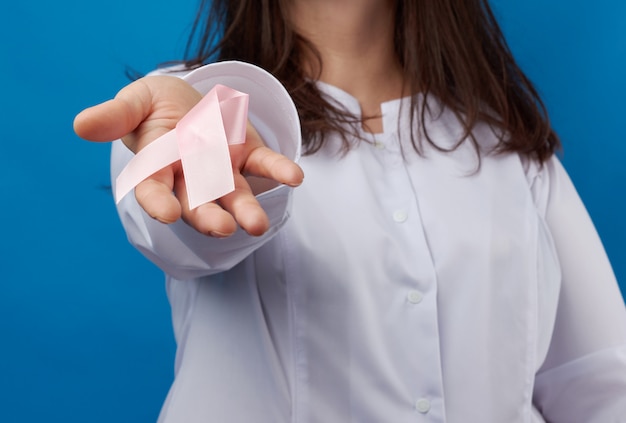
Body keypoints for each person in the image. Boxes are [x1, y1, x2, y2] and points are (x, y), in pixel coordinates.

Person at [74, 0, 626, 421]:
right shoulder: (196, 108)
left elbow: (602, 383)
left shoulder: (506, 145)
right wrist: (210, 158)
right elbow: (183, 230)